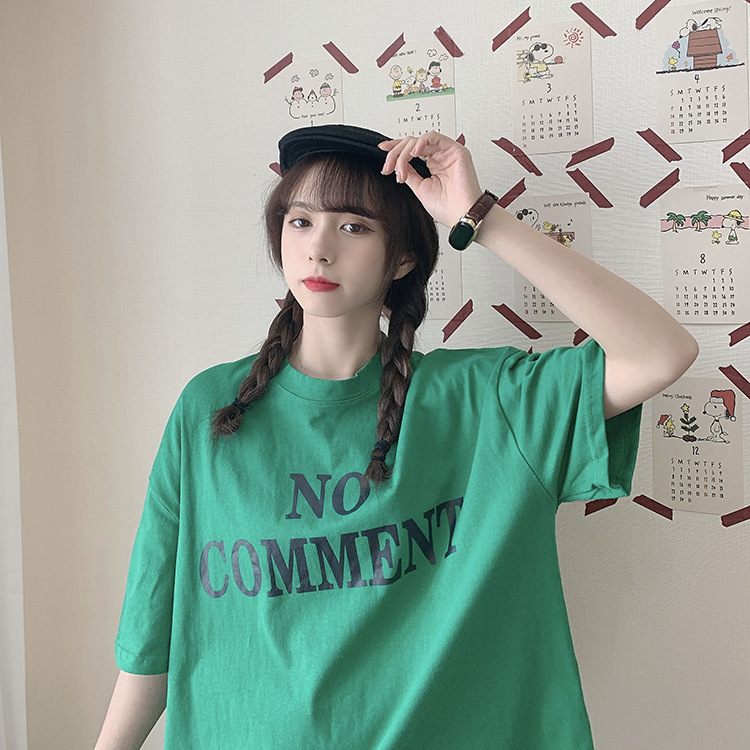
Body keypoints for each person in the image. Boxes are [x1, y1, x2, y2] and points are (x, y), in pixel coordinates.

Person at [95, 124, 698, 749]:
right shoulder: (211, 410)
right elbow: (153, 632)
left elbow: (660, 353)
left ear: (403, 257)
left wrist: (478, 216)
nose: (319, 248)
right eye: (300, 221)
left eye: (354, 227)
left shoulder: (485, 403)